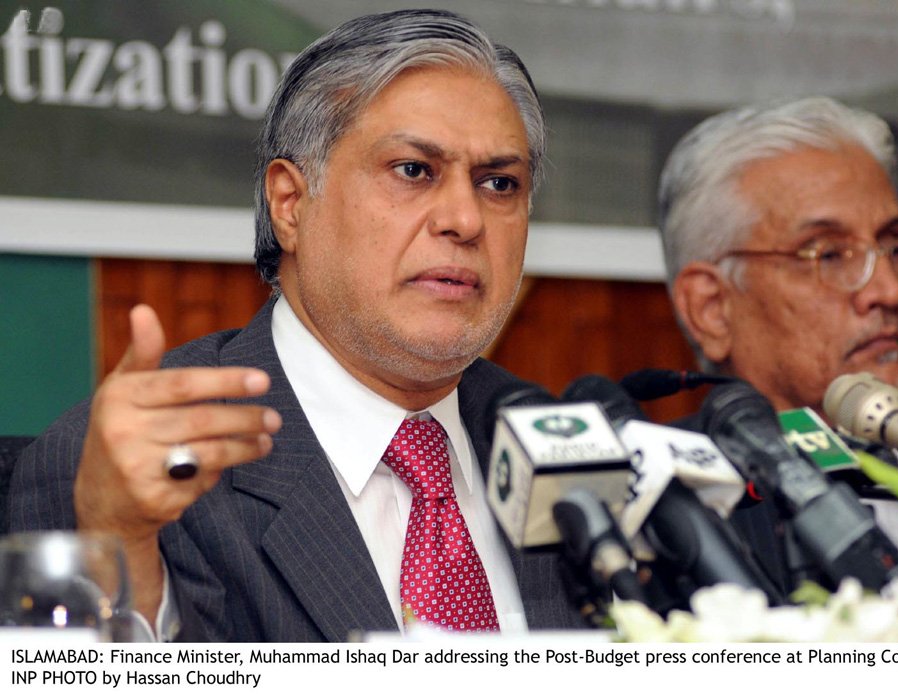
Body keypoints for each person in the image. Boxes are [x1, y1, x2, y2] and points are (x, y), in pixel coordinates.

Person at [8, 9, 582, 641]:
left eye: (499, 183)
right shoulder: (124, 469)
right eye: (414, 170)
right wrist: (120, 545)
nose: (465, 220)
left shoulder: (565, 454)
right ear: (290, 204)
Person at [656, 96, 898, 591]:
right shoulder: (668, 516)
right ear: (712, 308)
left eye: (897, 247)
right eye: (829, 254)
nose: (891, 291)